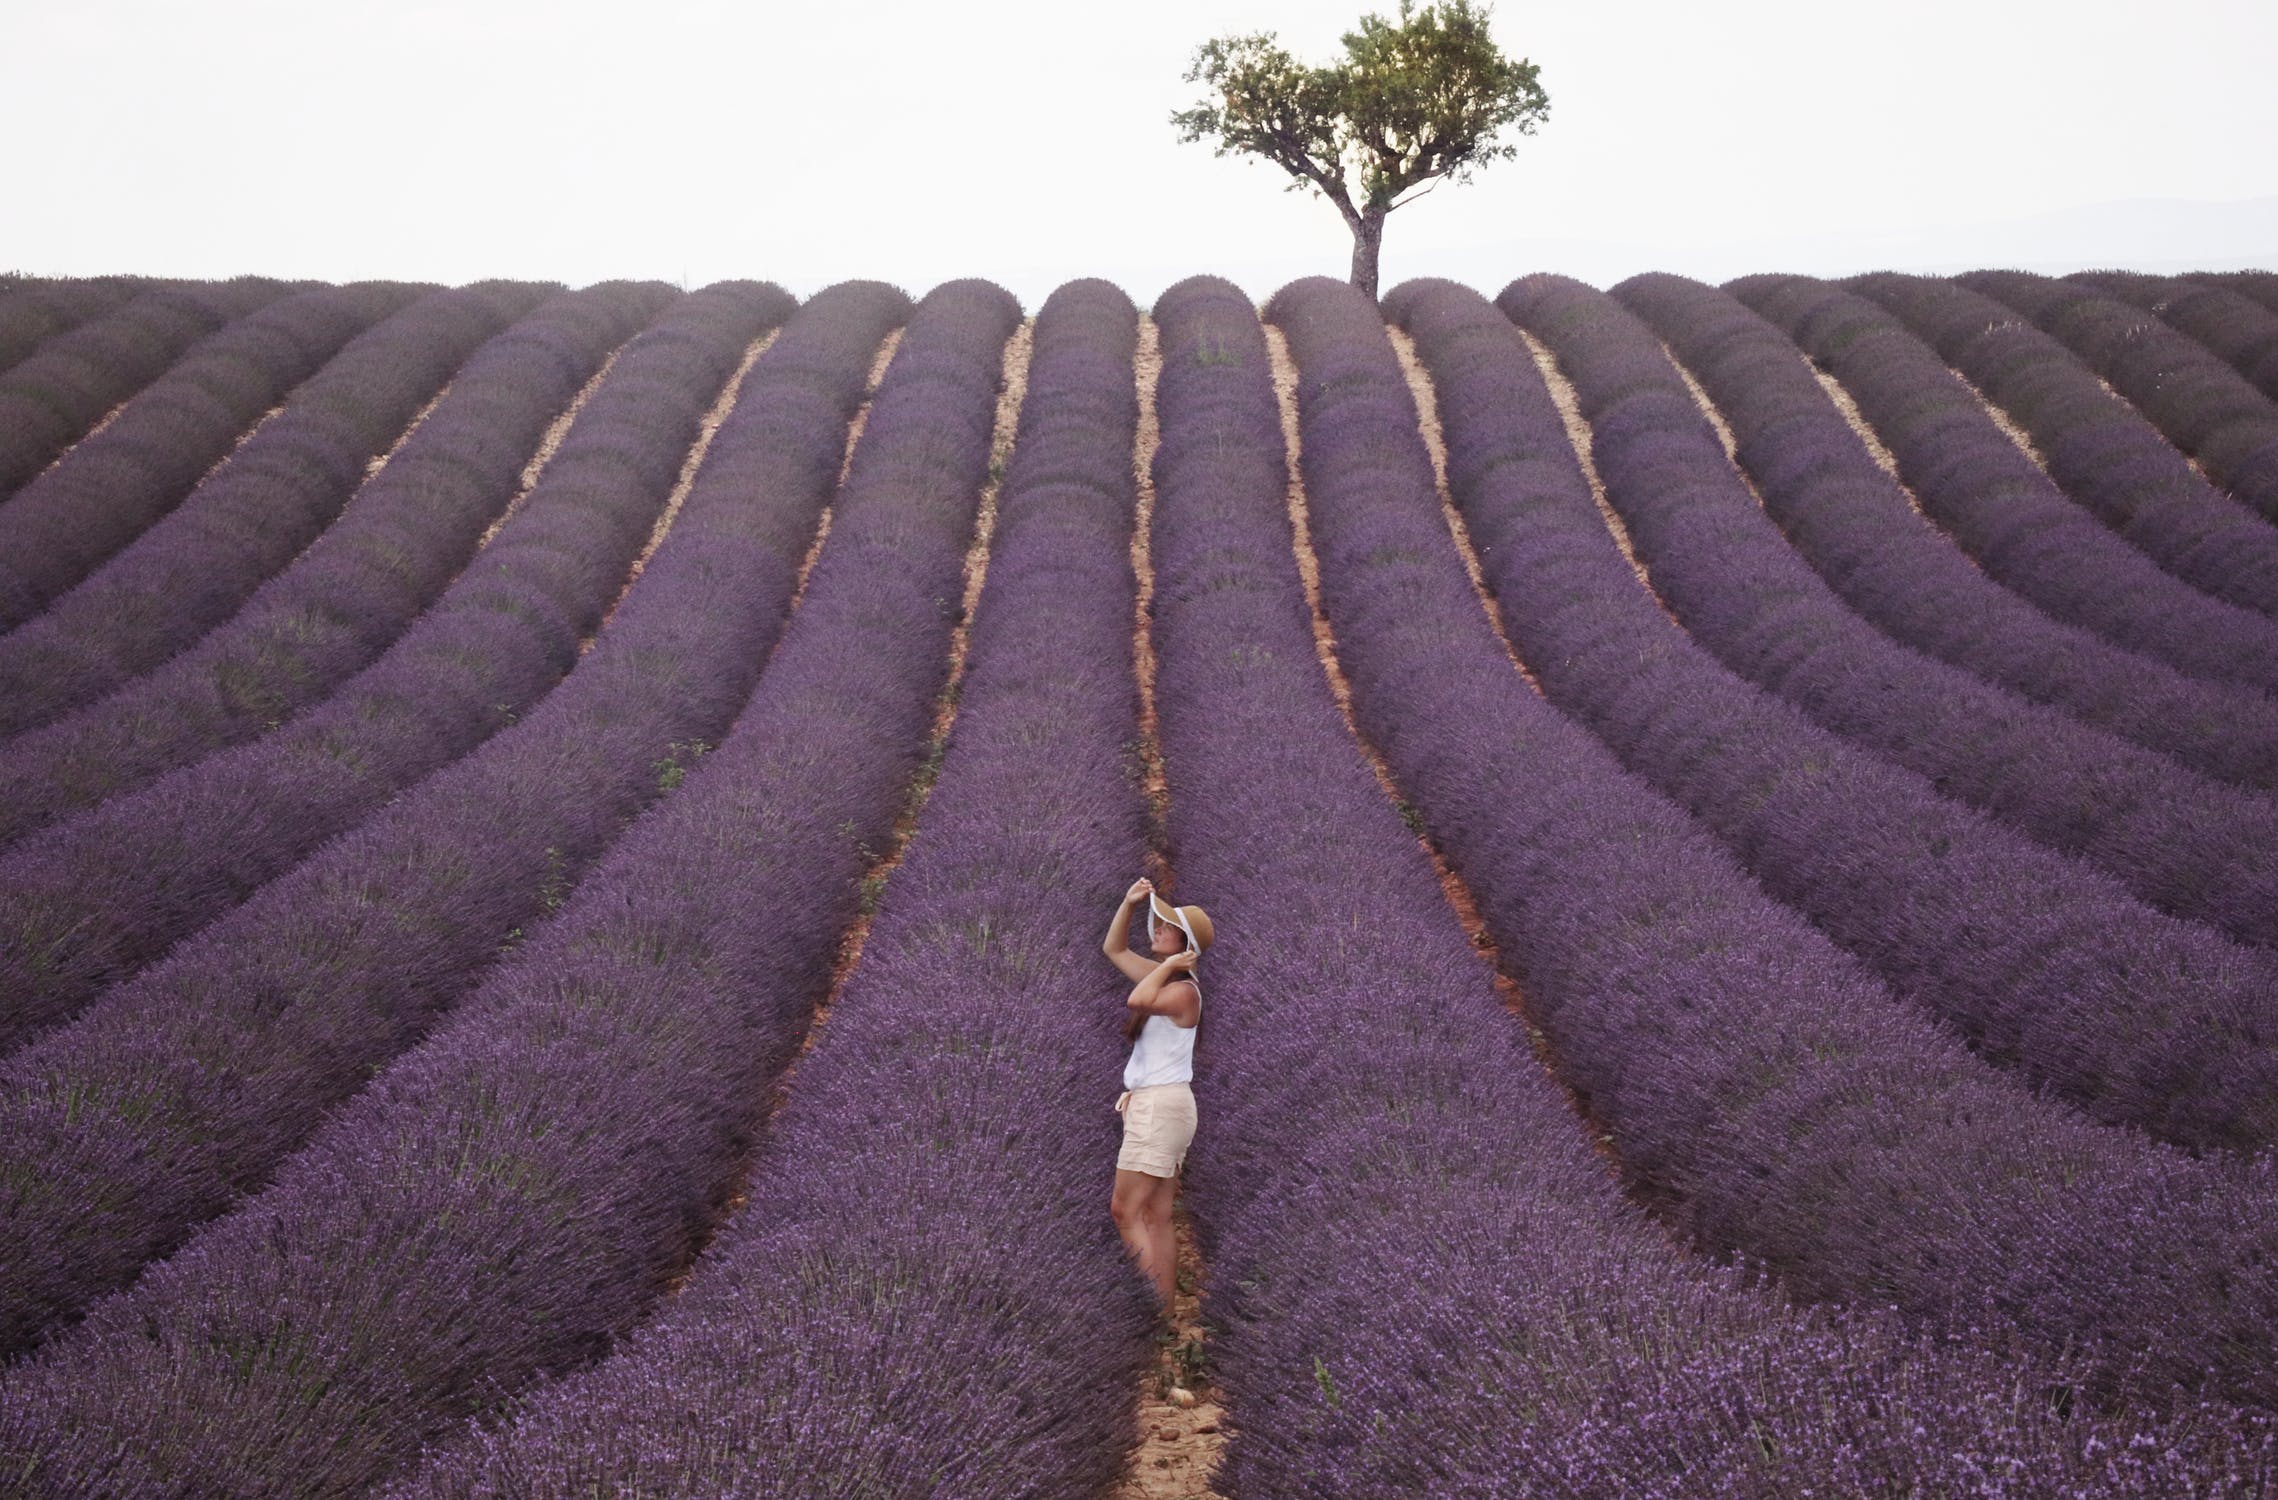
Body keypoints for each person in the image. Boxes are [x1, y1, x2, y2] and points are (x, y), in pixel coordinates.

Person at [1100, 874, 1213, 1308]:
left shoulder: (1183, 992)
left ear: (1184, 945)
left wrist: (1168, 966)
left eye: (1165, 927)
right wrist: (1128, 904)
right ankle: (1164, 1312)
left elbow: (1136, 1002)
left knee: (1124, 1212)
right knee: (1157, 1216)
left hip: (1160, 1108)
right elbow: (1113, 950)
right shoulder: (1167, 980)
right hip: (1164, 1106)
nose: (1157, 930)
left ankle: (1146, 1309)